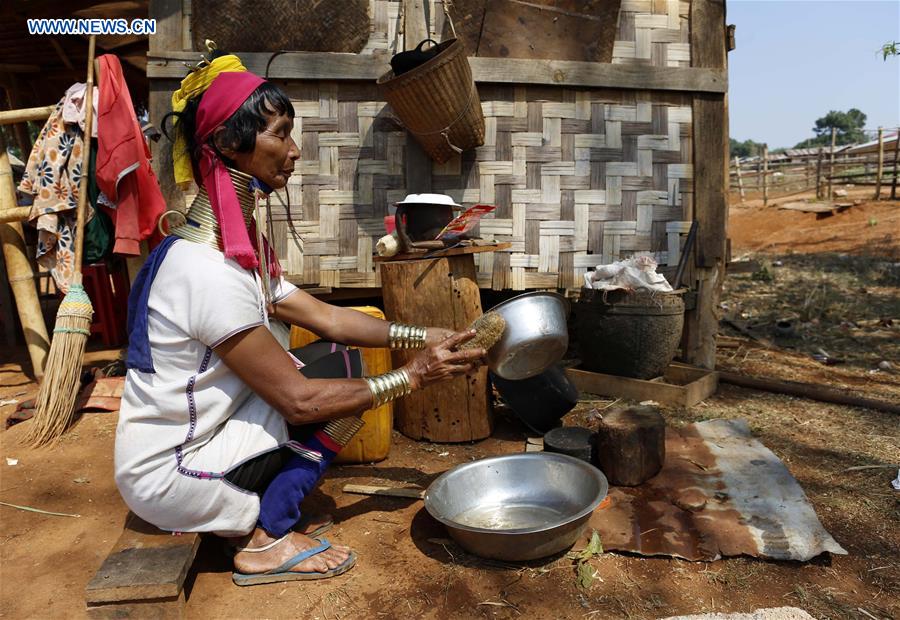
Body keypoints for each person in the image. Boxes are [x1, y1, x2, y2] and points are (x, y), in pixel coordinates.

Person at [114, 52, 486, 586]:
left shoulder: (232, 250)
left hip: (199, 434)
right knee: (335, 401)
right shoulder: (207, 272)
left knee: (337, 362)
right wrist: (414, 375)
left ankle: (253, 497)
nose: (294, 151)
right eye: (280, 134)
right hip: (170, 473)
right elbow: (299, 400)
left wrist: (426, 335)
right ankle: (266, 538)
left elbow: (326, 319)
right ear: (226, 144)